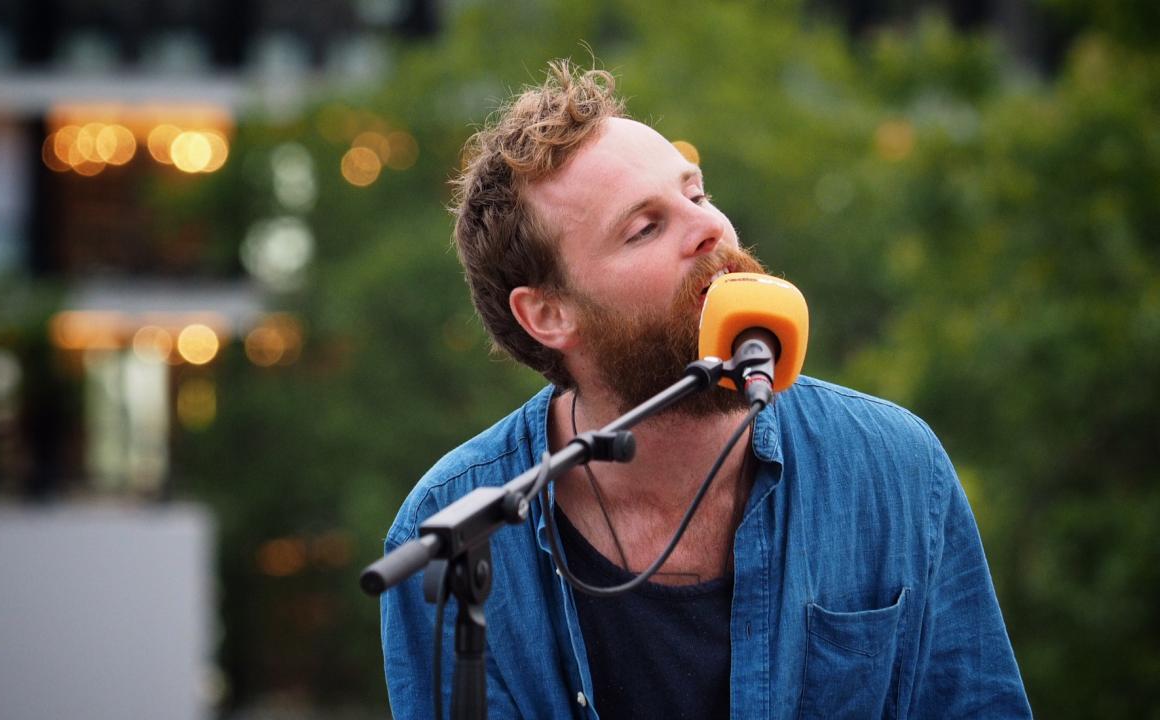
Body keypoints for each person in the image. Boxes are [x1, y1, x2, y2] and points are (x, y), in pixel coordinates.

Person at [380, 60, 1031, 719]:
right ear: (548, 314)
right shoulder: (455, 525)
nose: (711, 228)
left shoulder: (895, 467)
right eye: (645, 228)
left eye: (696, 195)